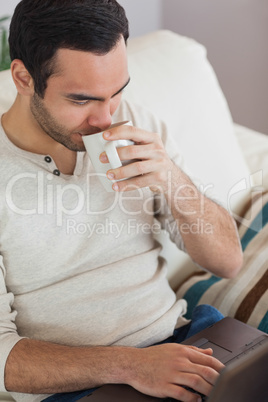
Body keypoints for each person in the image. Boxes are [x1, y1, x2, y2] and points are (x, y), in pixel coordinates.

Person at [0, 0, 243, 401]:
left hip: (182, 340)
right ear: (24, 78)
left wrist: (171, 179)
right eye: (81, 100)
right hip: (79, 385)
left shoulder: (136, 123)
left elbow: (228, 262)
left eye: (116, 93)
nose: (105, 118)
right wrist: (131, 365)